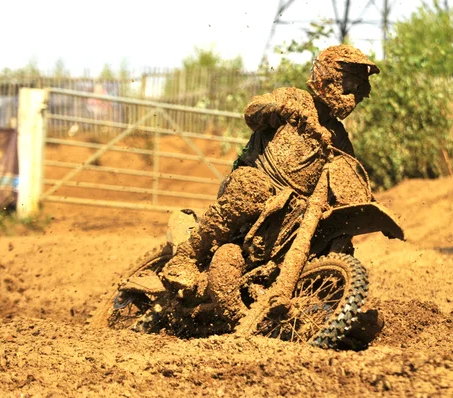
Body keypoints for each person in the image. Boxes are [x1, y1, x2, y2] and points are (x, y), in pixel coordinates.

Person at [161, 45, 380, 312]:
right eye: (349, 82)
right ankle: (186, 257)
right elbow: (252, 111)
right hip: (258, 181)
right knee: (251, 190)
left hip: (293, 210)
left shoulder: (338, 136)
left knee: (335, 235)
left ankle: (334, 310)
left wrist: (365, 198)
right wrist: (280, 108)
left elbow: (348, 173)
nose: (353, 92)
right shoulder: (296, 99)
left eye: (357, 86)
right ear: (329, 77)